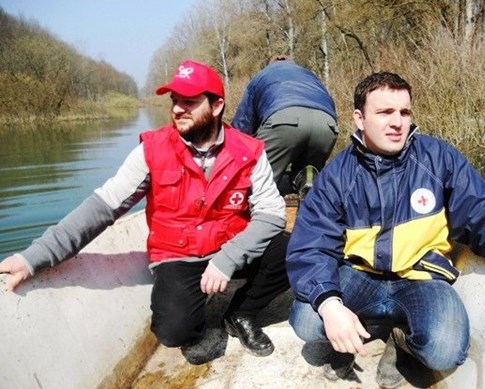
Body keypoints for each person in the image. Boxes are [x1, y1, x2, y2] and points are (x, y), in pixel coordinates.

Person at [286, 71, 485, 389]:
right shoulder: (337, 176)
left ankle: (399, 340)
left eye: (404, 112)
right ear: (359, 118)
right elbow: (311, 246)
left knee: (445, 350)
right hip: (360, 275)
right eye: (384, 112)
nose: (397, 122)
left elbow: (483, 211)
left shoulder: (439, 159)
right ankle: (361, 323)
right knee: (308, 319)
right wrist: (332, 306)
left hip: (422, 276)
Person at [0, 60, 290, 365]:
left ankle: (240, 313)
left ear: (216, 106)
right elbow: (102, 207)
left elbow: (271, 214)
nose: (178, 109)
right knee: (174, 331)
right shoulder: (151, 151)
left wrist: (228, 259)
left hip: (231, 247)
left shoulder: (249, 151)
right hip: (181, 257)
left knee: (293, 250)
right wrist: (34, 257)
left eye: (189, 102)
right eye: (174, 101)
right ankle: (193, 321)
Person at [231, 55, 338, 199]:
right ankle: (306, 179)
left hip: (283, 121)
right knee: (307, 174)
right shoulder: (311, 76)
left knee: (257, 181)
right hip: (326, 125)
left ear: (270, 65)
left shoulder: (261, 76)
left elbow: (242, 125)